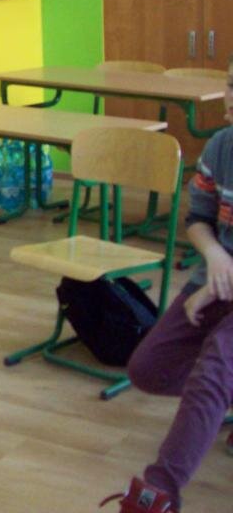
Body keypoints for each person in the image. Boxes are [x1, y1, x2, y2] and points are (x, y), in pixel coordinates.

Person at [102, 58, 233, 512]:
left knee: (215, 367)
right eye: (232, 85)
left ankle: (159, 492)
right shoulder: (220, 147)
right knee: (148, 369)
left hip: (220, 287)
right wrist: (214, 255)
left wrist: (215, 288)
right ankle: (218, 395)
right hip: (217, 277)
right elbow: (198, 219)